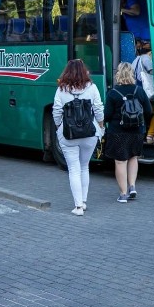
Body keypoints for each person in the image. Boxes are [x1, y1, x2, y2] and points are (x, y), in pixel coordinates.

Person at [52, 59, 104, 216]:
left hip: (68, 135)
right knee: (84, 166)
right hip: (90, 134)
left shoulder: (61, 89)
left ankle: (78, 206)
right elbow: (99, 109)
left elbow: (56, 112)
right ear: (84, 71)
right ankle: (84, 201)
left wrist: (59, 127)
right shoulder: (92, 88)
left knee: (73, 169)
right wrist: (100, 125)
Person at [104, 62, 153, 202]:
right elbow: (149, 111)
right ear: (131, 74)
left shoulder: (113, 93)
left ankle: (123, 194)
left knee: (120, 162)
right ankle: (132, 186)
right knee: (133, 158)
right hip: (137, 131)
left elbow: (107, 115)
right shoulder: (139, 91)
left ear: (118, 74)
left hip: (118, 132)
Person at [132, 50, 154, 145]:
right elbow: (152, 71)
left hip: (137, 91)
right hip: (145, 91)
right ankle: (150, 135)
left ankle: (146, 135)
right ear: (150, 52)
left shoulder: (136, 59)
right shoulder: (146, 58)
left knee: (142, 113)